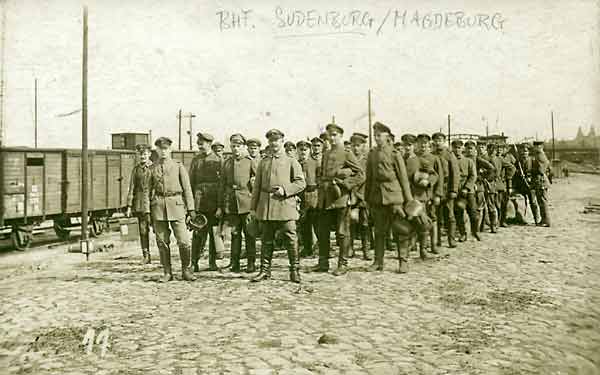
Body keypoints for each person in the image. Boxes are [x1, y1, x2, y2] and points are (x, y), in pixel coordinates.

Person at [250, 129, 306, 283]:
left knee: (290, 237)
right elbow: (256, 187)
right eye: (271, 141)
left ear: (282, 141)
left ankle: (294, 270)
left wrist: (285, 190)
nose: (274, 143)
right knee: (266, 239)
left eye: (276, 140)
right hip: (266, 206)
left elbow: (301, 183)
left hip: (285, 205)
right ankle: (264, 270)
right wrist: (253, 208)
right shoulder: (264, 162)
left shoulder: (291, 161)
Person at [312, 123, 364, 276]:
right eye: (330, 135)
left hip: (340, 197)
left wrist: (345, 184)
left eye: (335, 135)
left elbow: (360, 175)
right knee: (323, 231)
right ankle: (323, 263)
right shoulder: (326, 153)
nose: (332, 138)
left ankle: (343, 263)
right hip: (325, 198)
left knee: (342, 232)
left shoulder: (347, 153)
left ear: (341, 136)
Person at [365, 122, 415, 273]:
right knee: (379, 231)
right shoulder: (372, 154)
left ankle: (403, 262)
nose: (376, 138)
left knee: (401, 230)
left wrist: (409, 200)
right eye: (375, 135)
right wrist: (367, 199)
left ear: (387, 137)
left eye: (379, 135)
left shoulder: (395, 154)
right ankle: (378, 262)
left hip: (394, 198)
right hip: (377, 198)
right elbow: (369, 178)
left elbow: (403, 178)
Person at [145, 137, 196, 282]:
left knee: (184, 241)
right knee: (162, 241)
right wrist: (147, 211)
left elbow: (187, 189)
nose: (163, 152)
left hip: (177, 205)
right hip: (158, 207)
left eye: (166, 149)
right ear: (157, 150)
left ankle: (186, 270)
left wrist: (191, 209)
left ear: (170, 149)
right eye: (160, 149)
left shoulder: (178, 166)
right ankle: (167, 272)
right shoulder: (152, 168)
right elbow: (146, 191)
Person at [221, 134, 258, 273]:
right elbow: (222, 185)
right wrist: (222, 205)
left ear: (243, 147)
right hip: (232, 204)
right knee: (235, 235)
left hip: (247, 203)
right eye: (233, 146)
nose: (236, 149)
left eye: (238, 146)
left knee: (250, 234)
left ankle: (251, 263)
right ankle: (234, 263)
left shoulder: (250, 162)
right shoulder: (227, 163)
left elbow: (257, 183)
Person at [189, 133, 223, 272]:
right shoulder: (196, 160)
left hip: (213, 201)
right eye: (198, 143)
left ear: (209, 144)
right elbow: (191, 182)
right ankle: (194, 262)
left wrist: (220, 205)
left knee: (213, 232)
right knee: (198, 233)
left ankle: (212, 262)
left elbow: (222, 184)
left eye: (202, 144)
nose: (200, 146)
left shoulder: (218, 160)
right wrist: (191, 204)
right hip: (199, 201)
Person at [412, 134, 443, 256]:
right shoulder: (412, 158)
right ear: (417, 144)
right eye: (420, 143)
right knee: (416, 218)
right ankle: (414, 244)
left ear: (429, 144)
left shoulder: (434, 158)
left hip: (429, 194)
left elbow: (438, 177)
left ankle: (433, 244)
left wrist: (437, 194)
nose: (423, 146)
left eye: (425, 143)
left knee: (432, 218)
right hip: (415, 195)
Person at [126, 144, 154, 264]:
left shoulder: (154, 167)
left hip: (153, 203)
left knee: (158, 230)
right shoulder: (136, 169)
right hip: (140, 204)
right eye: (140, 154)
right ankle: (146, 255)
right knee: (143, 231)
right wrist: (129, 206)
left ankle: (164, 256)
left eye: (145, 153)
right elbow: (132, 188)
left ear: (149, 154)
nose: (143, 156)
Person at [432, 132, 460, 248]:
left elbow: (455, 173)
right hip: (435, 190)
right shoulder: (432, 155)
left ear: (443, 141)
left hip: (447, 189)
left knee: (450, 215)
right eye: (436, 140)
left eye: (440, 140)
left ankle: (451, 240)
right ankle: (437, 240)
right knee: (436, 216)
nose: (438, 142)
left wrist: (454, 190)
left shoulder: (449, 155)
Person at [348, 132, 372, 260]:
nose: (356, 148)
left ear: (363, 146)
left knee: (365, 224)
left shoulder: (367, 161)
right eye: (354, 145)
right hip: (351, 195)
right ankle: (350, 248)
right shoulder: (348, 159)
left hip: (364, 196)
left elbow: (369, 178)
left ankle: (366, 250)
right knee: (350, 222)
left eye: (358, 145)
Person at [297, 140, 320, 257]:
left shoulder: (315, 163)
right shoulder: (295, 164)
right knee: (304, 224)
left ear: (309, 150)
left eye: (305, 150)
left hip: (313, 194)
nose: (303, 152)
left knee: (317, 224)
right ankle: (307, 248)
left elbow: (320, 179)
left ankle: (319, 249)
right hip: (300, 196)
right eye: (300, 150)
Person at [453, 140, 479, 242]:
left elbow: (473, 175)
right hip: (457, 190)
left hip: (469, 190)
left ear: (462, 149)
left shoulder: (469, 161)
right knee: (458, 212)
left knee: (473, 213)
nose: (457, 150)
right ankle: (462, 233)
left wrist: (467, 188)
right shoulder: (450, 161)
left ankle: (474, 232)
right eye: (455, 148)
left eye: (459, 148)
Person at [494, 144, 516, 227]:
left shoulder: (507, 158)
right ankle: (496, 221)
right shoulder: (494, 158)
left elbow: (513, 168)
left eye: (501, 148)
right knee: (496, 203)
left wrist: (508, 177)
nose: (499, 150)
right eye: (498, 148)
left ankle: (502, 221)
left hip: (504, 183)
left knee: (503, 203)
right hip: (495, 183)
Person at [532, 141, 551, 227]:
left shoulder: (540, 156)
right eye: (535, 146)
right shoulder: (540, 155)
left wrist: (532, 170)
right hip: (540, 181)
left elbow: (540, 170)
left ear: (541, 147)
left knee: (543, 201)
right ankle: (543, 220)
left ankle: (546, 220)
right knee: (541, 201)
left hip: (541, 181)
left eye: (538, 146)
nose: (536, 148)